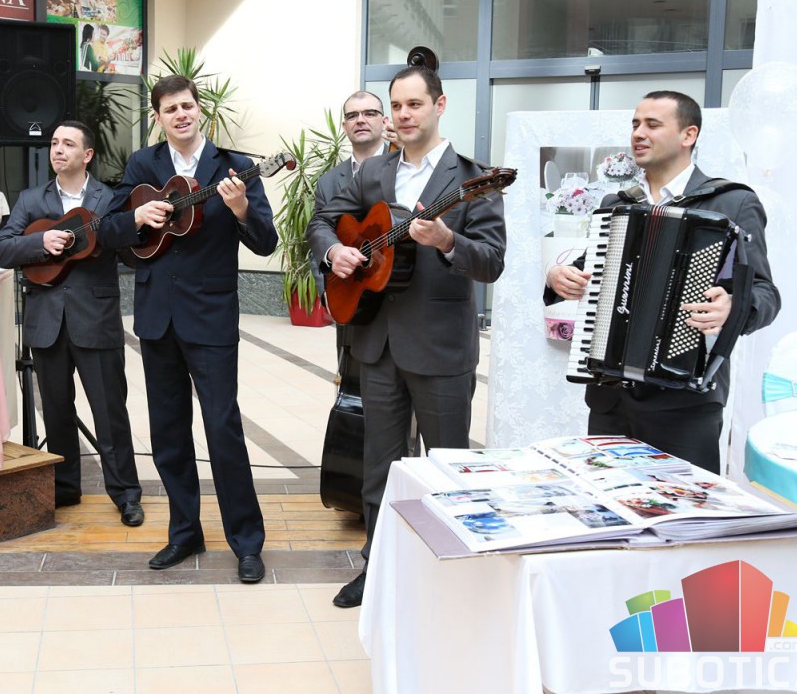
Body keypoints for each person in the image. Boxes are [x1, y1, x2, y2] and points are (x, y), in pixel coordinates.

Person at [307, 65, 507, 607]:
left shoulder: (473, 178)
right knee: (379, 466)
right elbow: (323, 220)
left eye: (414, 104)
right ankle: (377, 567)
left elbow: (491, 261)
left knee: (445, 466)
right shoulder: (374, 172)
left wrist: (446, 240)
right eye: (396, 105)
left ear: (439, 106)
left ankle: (445, 577)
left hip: (440, 347)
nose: (403, 114)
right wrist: (335, 250)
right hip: (376, 342)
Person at [98, 74, 277, 584]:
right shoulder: (143, 164)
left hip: (211, 315)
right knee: (168, 433)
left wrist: (240, 208)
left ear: (201, 110)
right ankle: (184, 532)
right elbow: (109, 232)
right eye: (170, 108)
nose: (181, 114)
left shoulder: (234, 166)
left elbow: (266, 241)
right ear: (158, 118)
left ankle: (247, 541)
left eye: (187, 106)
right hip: (157, 316)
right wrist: (138, 216)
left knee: (223, 429)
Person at [546, 90, 780, 474]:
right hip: (610, 401)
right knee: (606, 503)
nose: (638, 133)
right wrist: (558, 277)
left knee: (686, 506)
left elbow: (765, 292)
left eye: (652, 125)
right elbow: (592, 269)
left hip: (685, 405)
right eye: (635, 124)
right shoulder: (617, 205)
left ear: (689, 134)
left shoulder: (732, 203)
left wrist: (732, 308)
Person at [0, 121, 144, 527]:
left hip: (96, 319)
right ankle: (64, 488)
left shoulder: (110, 199)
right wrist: (39, 242)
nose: (58, 149)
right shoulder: (31, 199)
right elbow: (3, 249)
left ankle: (126, 493)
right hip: (46, 322)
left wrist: (138, 227)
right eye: (55, 143)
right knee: (57, 412)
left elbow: (132, 256)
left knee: (110, 412)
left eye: (68, 144)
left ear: (87, 155)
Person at [310, 91, 395, 299]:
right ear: (344, 126)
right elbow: (319, 239)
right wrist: (326, 295)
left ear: (385, 122)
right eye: (352, 115)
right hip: (351, 297)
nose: (360, 120)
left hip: (399, 290)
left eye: (370, 113)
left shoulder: (405, 165)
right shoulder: (328, 182)